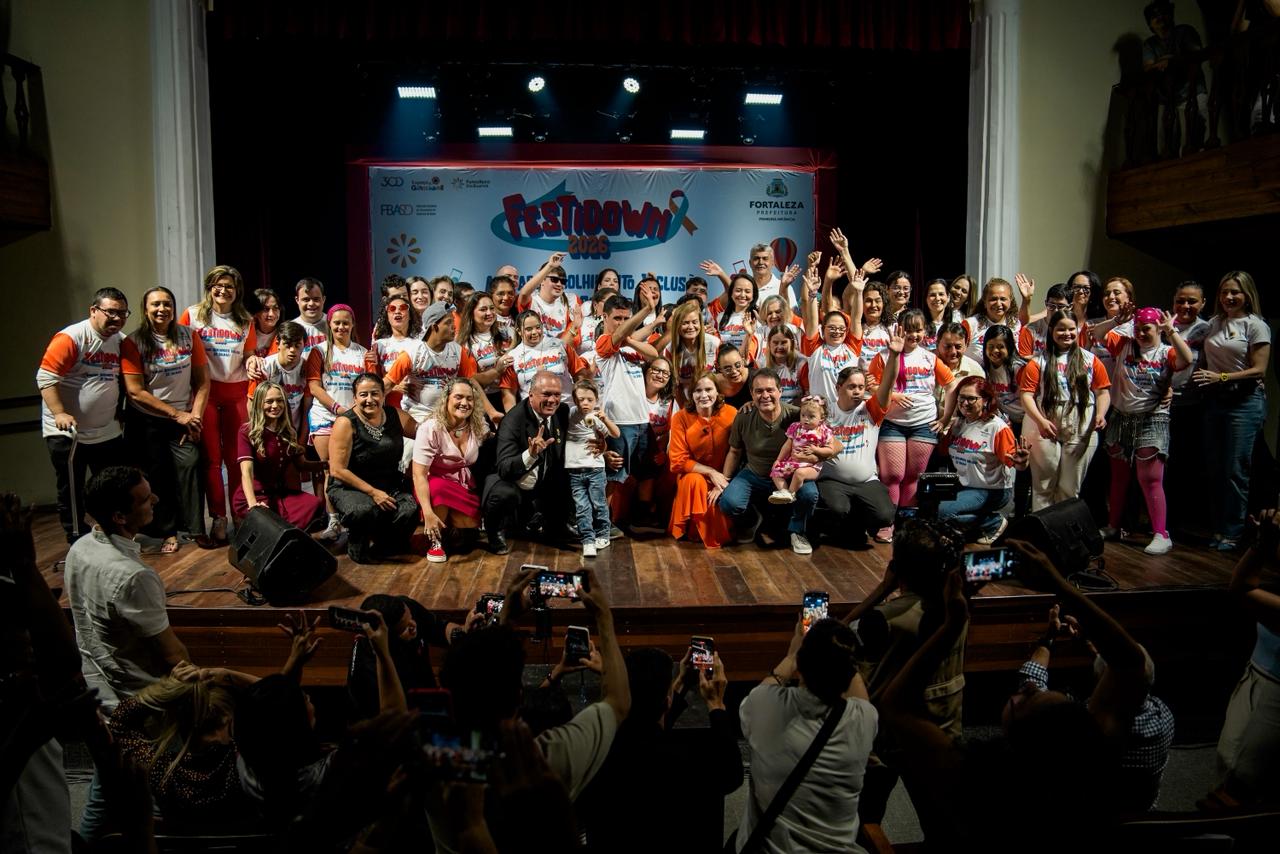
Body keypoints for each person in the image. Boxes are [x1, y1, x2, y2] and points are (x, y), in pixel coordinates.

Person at [878, 540, 1151, 848]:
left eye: (1027, 699)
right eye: (1053, 694)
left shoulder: (976, 783)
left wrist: (952, 626)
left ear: (1014, 732)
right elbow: (1130, 663)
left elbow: (895, 705)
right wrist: (1057, 584)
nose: (1032, 686)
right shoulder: (1093, 773)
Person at [577, 647, 743, 853]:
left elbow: (643, 727)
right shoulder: (686, 760)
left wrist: (680, 683)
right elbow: (732, 775)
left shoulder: (594, 755)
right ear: (667, 700)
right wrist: (715, 703)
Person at [734, 614, 876, 853]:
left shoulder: (763, 705)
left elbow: (768, 685)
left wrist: (791, 655)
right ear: (851, 671)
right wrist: (838, 651)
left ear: (800, 664)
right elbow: (857, 688)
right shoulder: (865, 718)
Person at [1018, 605, 1175, 813]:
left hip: (1089, 819)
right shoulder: (1163, 718)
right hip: (1138, 820)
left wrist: (1048, 639)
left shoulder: (1083, 728)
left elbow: (1032, 686)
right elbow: (1127, 680)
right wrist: (1091, 646)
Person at [1087, 307, 1194, 554]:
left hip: (1151, 418)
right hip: (1122, 417)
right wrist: (1117, 320)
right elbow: (1097, 334)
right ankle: (1113, 525)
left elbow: (1186, 360)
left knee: (1150, 478)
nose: (1141, 333)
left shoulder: (1166, 351)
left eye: (1147, 328)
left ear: (1158, 328)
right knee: (1119, 477)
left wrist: (1172, 331)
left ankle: (1161, 533)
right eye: (1138, 328)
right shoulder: (1125, 345)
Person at [37, 288, 130, 544]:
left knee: (111, 487)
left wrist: (121, 409)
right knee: (72, 488)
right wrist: (59, 412)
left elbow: (124, 380)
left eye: (122, 313)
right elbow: (45, 378)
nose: (117, 318)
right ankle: (76, 536)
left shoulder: (121, 341)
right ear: (94, 310)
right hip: (69, 432)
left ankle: (112, 534)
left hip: (106, 430)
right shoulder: (72, 337)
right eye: (111, 312)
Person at [120, 286, 209, 552]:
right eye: (155, 305)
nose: (162, 309)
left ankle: (195, 529)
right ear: (145, 310)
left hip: (183, 416)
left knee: (191, 464)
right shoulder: (133, 342)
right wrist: (177, 415)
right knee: (158, 475)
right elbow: (135, 391)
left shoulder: (189, 336)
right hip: (147, 420)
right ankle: (167, 531)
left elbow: (203, 383)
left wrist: (194, 418)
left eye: (167, 304)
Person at [721, 368, 840, 555]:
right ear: (751, 393)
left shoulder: (798, 415)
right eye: (759, 391)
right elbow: (735, 451)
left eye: (770, 390)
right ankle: (753, 520)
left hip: (791, 474)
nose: (765, 395)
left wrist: (815, 455)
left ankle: (797, 531)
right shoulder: (744, 416)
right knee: (728, 502)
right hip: (755, 473)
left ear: (780, 391)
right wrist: (724, 480)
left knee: (809, 495)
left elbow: (836, 446)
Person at [1209, 507, 1280, 808]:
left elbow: (1241, 587)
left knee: (1241, 781)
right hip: (1260, 676)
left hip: (1272, 693)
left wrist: (1263, 542)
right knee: (1233, 769)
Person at [1194, 271, 1270, 550]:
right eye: (1224, 292)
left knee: (1235, 469)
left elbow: (1259, 369)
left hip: (1244, 402)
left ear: (1247, 295)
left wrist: (1222, 377)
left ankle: (1233, 531)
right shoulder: (1214, 323)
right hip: (1215, 400)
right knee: (1214, 467)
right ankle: (1217, 529)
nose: (1229, 297)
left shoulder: (1256, 325)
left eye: (1235, 292)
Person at [180, 265, 254, 545]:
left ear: (237, 292)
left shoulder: (245, 320)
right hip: (206, 393)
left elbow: (247, 356)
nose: (223, 291)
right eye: (218, 286)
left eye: (230, 287)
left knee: (237, 459)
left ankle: (240, 515)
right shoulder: (192, 315)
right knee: (212, 461)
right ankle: (219, 518)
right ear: (209, 287)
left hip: (236, 393)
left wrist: (254, 361)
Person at [868, 311, 956, 541]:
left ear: (925, 332)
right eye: (908, 329)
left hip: (923, 423)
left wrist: (945, 419)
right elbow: (871, 387)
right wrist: (893, 395)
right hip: (892, 423)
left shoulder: (930, 358)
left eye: (918, 329)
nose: (913, 334)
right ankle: (888, 522)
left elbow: (951, 386)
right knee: (892, 475)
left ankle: (906, 526)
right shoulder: (883, 356)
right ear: (899, 329)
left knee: (913, 476)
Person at [1019, 309, 1112, 511]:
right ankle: (1043, 535)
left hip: (1081, 421)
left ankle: (1062, 533)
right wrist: (1041, 421)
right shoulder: (1038, 362)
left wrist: (1100, 414)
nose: (1066, 334)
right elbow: (1026, 395)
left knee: (1069, 487)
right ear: (1051, 330)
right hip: (1044, 421)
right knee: (1043, 485)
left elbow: (1102, 392)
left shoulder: (1090, 360)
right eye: (1061, 329)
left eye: (1071, 329)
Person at [327, 373, 418, 563]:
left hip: (388, 482)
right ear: (355, 398)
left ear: (383, 395)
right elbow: (337, 470)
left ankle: (383, 543)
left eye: (375, 394)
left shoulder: (395, 415)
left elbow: (424, 432)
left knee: (409, 509)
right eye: (363, 395)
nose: (370, 400)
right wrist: (373, 492)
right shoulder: (345, 422)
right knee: (364, 510)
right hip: (349, 486)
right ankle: (357, 545)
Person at [482, 371, 573, 555]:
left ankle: (557, 523)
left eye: (557, 394)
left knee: (573, 474)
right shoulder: (513, 420)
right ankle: (495, 531)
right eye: (546, 394)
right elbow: (504, 469)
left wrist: (602, 454)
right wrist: (530, 454)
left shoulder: (562, 411)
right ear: (530, 395)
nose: (552, 400)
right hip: (511, 481)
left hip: (542, 481)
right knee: (503, 493)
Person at [345, 593, 476, 721]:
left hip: (431, 701)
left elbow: (439, 628)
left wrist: (463, 633)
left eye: (411, 617)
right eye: (406, 628)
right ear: (385, 641)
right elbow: (394, 722)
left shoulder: (404, 609)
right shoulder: (364, 675)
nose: (414, 624)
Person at [936, 377, 1030, 543]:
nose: (965, 403)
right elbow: (944, 452)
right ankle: (979, 521)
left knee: (944, 512)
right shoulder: (958, 423)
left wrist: (1021, 462)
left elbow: (1016, 464)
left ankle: (993, 523)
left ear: (986, 399)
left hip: (992, 489)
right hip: (965, 486)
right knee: (931, 507)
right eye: (961, 398)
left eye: (971, 398)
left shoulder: (996, 427)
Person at [411, 377, 491, 563]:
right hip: (432, 484)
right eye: (458, 397)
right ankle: (435, 541)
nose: (464, 403)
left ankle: (450, 527)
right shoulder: (430, 428)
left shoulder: (477, 424)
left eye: (469, 399)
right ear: (446, 399)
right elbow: (419, 474)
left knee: (469, 524)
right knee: (438, 488)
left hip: (463, 484)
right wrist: (428, 512)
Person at [594, 293, 661, 514]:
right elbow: (620, 334)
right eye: (617, 318)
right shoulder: (602, 344)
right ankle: (603, 523)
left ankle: (640, 517)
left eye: (626, 318)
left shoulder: (631, 346)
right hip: (619, 422)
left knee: (648, 472)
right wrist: (646, 311)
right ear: (604, 317)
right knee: (613, 477)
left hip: (642, 419)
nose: (622, 323)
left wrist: (631, 339)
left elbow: (653, 354)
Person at [307, 304, 369, 541]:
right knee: (330, 471)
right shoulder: (319, 351)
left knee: (351, 469)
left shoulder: (363, 353)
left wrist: (353, 412)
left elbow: (368, 387)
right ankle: (333, 521)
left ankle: (351, 517)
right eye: (337, 323)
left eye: (346, 322)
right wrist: (338, 409)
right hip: (326, 417)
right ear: (329, 325)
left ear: (352, 325)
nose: (341, 327)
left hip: (353, 418)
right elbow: (314, 386)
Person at [817, 363, 896, 546]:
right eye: (852, 387)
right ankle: (845, 527)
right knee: (838, 509)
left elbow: (888, 385)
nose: (857, 392)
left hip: (866, 480)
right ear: (838, 388)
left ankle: (855, 526)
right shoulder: (825, 412)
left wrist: (893, 356)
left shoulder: (871, 410)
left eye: (861, 387)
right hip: (832, 481)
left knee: (885, 515)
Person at [232, 382, 326, 529]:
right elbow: (246, 472)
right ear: (259, 403)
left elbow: (301, 465)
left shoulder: (289, 431)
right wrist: (253, 505)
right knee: (273, 522)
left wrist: (326, 465)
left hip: (279, 494)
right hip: (254, 496)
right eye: (269, 401)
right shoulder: (247, 432)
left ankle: (284, 531)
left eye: (279, 400)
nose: (275, 406)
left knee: (315, 504)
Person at [383, 301, 489, 427]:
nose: (454, 326)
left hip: (449, 414)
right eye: (448, 322)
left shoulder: (458, 351)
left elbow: (472, 384)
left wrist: (491, 413)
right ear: (434, 327)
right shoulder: (411, 353)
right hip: (417, 416)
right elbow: (386, 385)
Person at [668, 373, 738, 548]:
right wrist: (711, 473)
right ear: (691, 394)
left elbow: (738, 451)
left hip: (725, 474)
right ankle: (694, 530)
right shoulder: (680, 417)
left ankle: (710, 532)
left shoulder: (732, 413)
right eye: (698, 390)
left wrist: (722, 479)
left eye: (708, 389)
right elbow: (677, 460)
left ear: (717, 392)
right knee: (695, 481)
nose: (703, 395)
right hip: (692, 473)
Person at [1166, 280, 1209, 538]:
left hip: (1192, 404)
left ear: (1202, 303)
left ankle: (1176, 523)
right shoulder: (1163, 327)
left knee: (1183, 465)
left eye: (1192, 301)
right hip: (1161, 404)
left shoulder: (1207, 329)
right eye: (1180, 300)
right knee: (1161, 464)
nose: (1185, 306)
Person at [1143, 0, 1209, 157]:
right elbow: (1147, 67)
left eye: (1163, 13)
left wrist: (1170, 59)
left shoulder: (1185, 31)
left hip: (1192, 91)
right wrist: (1163, 60)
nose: (1160, 18)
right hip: (1167, 98)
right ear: (1150, 24)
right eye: (1154, 16)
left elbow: (1195, 53)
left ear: (1170, 15)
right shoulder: (1150, 44)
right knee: (1166, 146)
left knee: (1194, 143)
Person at [565, 380, 620, 557]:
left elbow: (615, 433)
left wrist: (604, 419)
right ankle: (587, 540)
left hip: (595, 469)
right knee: (582, 507)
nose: (585, 403)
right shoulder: (570, 413)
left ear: (596, 400)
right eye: (581, 399)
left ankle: (603, 534)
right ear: (574, 400)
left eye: (589, 399)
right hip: (575, 471)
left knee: (599, 504)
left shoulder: (596, 418)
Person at [500, 308, 587, 409]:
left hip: (566, 408)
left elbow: (579, 375)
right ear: (519, 331)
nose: (534, 332)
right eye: (528, 329)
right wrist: (512, 420)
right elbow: (508, 393)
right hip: (533, 414)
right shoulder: (513, 357)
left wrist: (582, 402)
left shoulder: (560, 346)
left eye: (538, 327)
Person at [800, 268, 862, 404]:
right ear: (823, 329)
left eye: (841, 329)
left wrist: (858, 293)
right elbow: (812, 320)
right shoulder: (814, 347)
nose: (837, 331)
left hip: (846, 411)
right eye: (832, 328)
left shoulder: (852, 347)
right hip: (820, 412)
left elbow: (856, 319)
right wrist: (812, 295)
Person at [247, 320, 310, 436]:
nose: (292, 350)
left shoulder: (307, 369)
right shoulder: (263, 367)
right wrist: (257, 433)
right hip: (267, 431)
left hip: (293, 431)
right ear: (278, 343)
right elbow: (252, 404)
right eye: (288, 345)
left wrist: (302, 439)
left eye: (297, 346)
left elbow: (307, 408)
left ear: (304, 345)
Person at [769, 395, 835, 505]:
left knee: (799, 473)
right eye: (803, 415)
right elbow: (787, 445)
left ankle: (791, 494)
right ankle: (784, 492)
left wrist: (816, 449)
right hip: (793, 462)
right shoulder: (796, 427)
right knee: (775, 472)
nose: (806, 419)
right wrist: (778, 460)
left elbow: (830, 450)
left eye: (811, 416)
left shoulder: (824, 431)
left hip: (812, 467)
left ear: (821, 418)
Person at [457, 290, 513, 416]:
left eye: (492, 308)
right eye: (483, 309)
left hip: (511, 395)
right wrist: (497, 371)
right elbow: (473, 380)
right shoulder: (465, 344)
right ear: (471, 313)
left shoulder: (507, 332)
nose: (489, 313)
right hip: (484, 401)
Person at [663, 299, 720, 405]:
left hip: (711, 401)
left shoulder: (714, 343)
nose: (691, 327)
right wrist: (686, 409)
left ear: (701, 323)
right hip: (684, 401)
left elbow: (721, 377)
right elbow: (675, 385)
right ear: (677, 325)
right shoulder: (670, 348)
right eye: (685, 323)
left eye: (694, 322)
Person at [518, 251, 581, 341]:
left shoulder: (567, 302)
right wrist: (549, 266)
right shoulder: (532, 301)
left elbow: (568, 342)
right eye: (554, 280)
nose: (559, 284)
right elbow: (524, 293)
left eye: (563, 281)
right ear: (542, 280)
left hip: (557, 352)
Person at [962, 276, 1025, 363]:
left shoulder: (1016, 324)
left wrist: (1027, 300)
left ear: (1010, 301)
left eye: (1003, 299)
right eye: (993, 299)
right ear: (985, 302)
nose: (998, 304)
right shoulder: (970, 324)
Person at [707, 272, 760, 362]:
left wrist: (749, 334)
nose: (742, 295)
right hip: (724, 366)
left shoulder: (757, 317)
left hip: (746, 367)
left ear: (753, 295)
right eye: (738, 290)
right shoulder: (721, 317)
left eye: (747, 291)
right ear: (731, 293)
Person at [1017, 283, 1071, 359]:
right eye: (1051, 305)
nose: (1055, 310)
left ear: (1070, 307)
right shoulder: (1029, 329)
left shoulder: (1073, 331)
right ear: (1046, 303)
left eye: (1060, 306)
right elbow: (1022, 361)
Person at [763, 324, 805, 403]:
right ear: (769, 343)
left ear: (792, 343)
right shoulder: (761, 364)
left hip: (795, 409)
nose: (780, 347)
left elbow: (807, 394)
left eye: (784, 342)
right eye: (775, 343)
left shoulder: (802, 363)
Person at [292, 277, 329, 358]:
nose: (311, 303)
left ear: (323, 299)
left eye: (316, 299)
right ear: (297, 300)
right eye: (306, 299)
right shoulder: (290, 328)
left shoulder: (334, 324)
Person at [714, 342, 752, 408]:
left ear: (743, 362)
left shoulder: (756, 378)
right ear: (720, 369)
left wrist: (756, 403)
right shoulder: (713, 382)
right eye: (728, 369)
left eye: (738, 365)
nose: (734, 371)